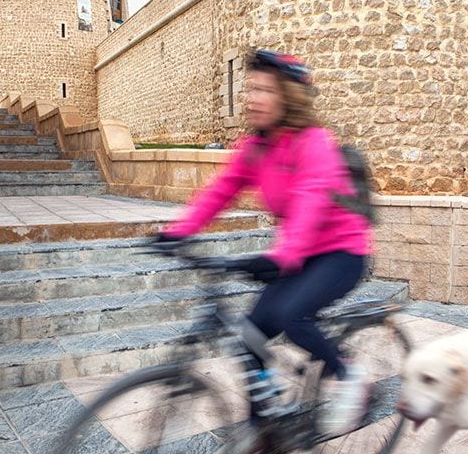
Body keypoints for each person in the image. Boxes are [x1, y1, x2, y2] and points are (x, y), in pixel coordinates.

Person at [156, 49, 373, 437]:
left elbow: (311, 198)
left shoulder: (314, 143)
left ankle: (348, 375)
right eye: (250, 89)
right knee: (251, 334)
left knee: (293, 316)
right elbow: (221, 190)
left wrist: (282, 256)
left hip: (342, 251)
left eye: (263, 90)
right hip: (298, 255)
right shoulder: (254, 148)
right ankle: (264, 426)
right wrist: (178, 231)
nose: (252, 99)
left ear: (288, 96)